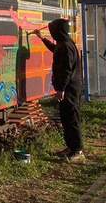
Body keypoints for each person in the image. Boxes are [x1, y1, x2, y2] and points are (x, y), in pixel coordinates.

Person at [34, 18, 84, 162]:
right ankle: (71, 147)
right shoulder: (63, 44)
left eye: (52, 31)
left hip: (70, 89)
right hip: (68, 88)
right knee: (66, 118)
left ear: (58, 31)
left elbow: (67, 70)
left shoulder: (66, 46)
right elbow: (54, 49)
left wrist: (61, 89)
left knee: (72, 119)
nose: (52, 33)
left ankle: (77, 150)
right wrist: (41, 38)